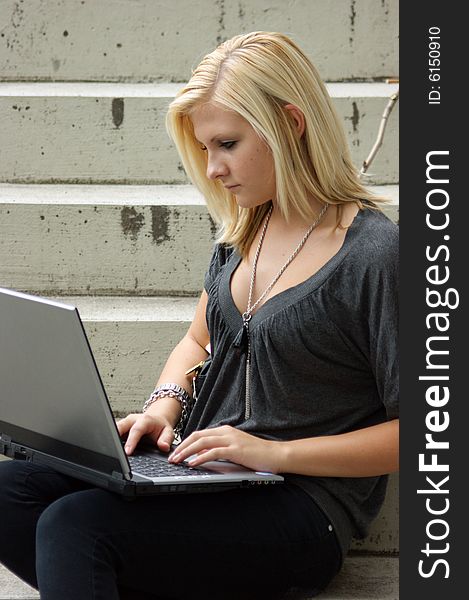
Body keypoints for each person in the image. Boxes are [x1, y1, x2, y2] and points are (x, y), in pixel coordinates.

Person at [0, 31, 398, 599]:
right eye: (206, 149)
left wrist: (272, 453)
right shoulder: (243, 232)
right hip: (203, 473)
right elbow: (197, 339)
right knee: (9, 488)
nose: (213, 169)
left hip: (301, 506)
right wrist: (163, 408)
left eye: (227, 144)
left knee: (76, 526)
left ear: (291, 123)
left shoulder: (375, 255)